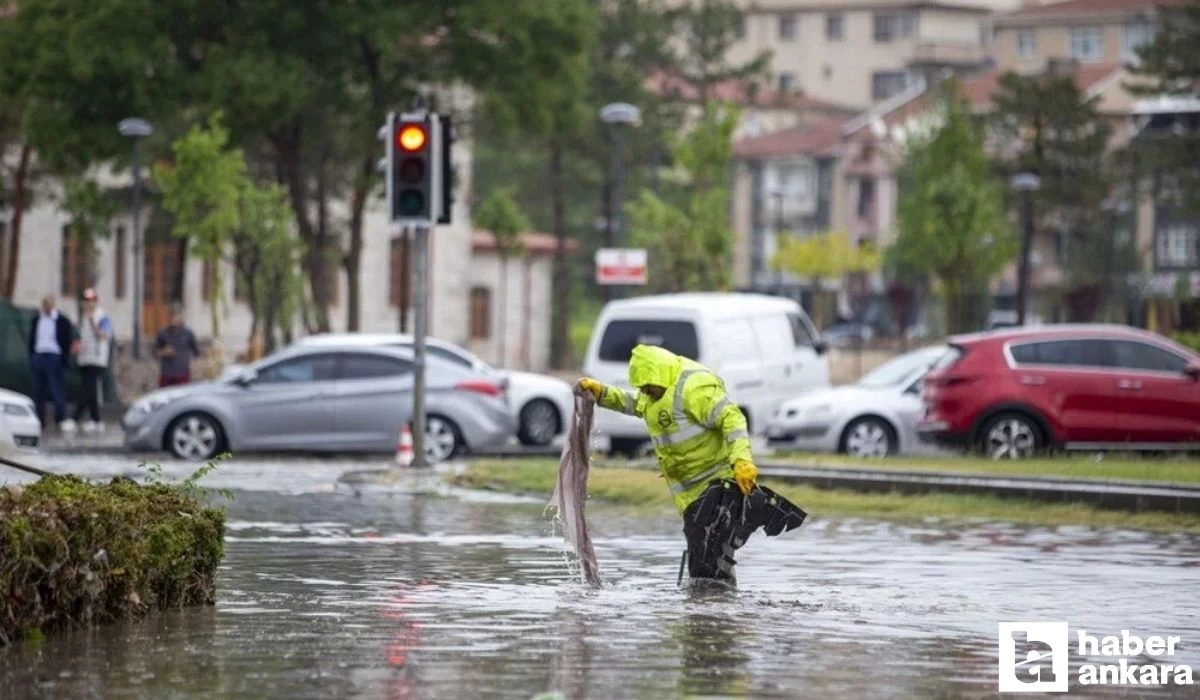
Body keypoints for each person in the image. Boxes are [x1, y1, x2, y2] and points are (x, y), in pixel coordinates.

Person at [578, 344, 806, 587]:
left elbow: (732, 417)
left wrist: (742, 461)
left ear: (659, 375)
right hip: (689, 495)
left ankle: (708, 612)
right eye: (641, 387)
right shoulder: (653, 394)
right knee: (709, 555)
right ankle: (717, 610)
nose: (644, 391)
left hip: (718, 484)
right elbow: (634, 403)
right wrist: (602, 393)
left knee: (705, 550)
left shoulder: (693, 389)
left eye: (647, 386)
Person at [27, 294, 78, 431]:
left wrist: (63, 357)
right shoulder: (37, 319)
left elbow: (66, 340)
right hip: (39, 355)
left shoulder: (61, 320)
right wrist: (33, 356)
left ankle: (60, 418)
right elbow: (32, 339)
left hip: (54, 357)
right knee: (38, 390)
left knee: (57, 389)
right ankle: (39, 419)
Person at [73, 288, 113, 432]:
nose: (88, 304)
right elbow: (83, 337)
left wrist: (91, 321)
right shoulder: (83, 317)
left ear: (96, 301)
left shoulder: (102, 317)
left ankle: (75, 417)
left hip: (97, 358)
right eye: (86, 301)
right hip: (85, 357)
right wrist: (78, 346)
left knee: (88, 388)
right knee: (91, 391)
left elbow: (102, 335)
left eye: (91, 300)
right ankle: (96, 420)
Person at [154, 303, 200, 387]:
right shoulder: (162, 333)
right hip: (166, 374)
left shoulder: (188, 333)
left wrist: (194, 367)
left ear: (181, 317)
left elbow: (196, 352)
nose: (173, 318)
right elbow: (154, 353)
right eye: (171, 315)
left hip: (182, 374)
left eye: (176, 315)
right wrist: (163, 352)